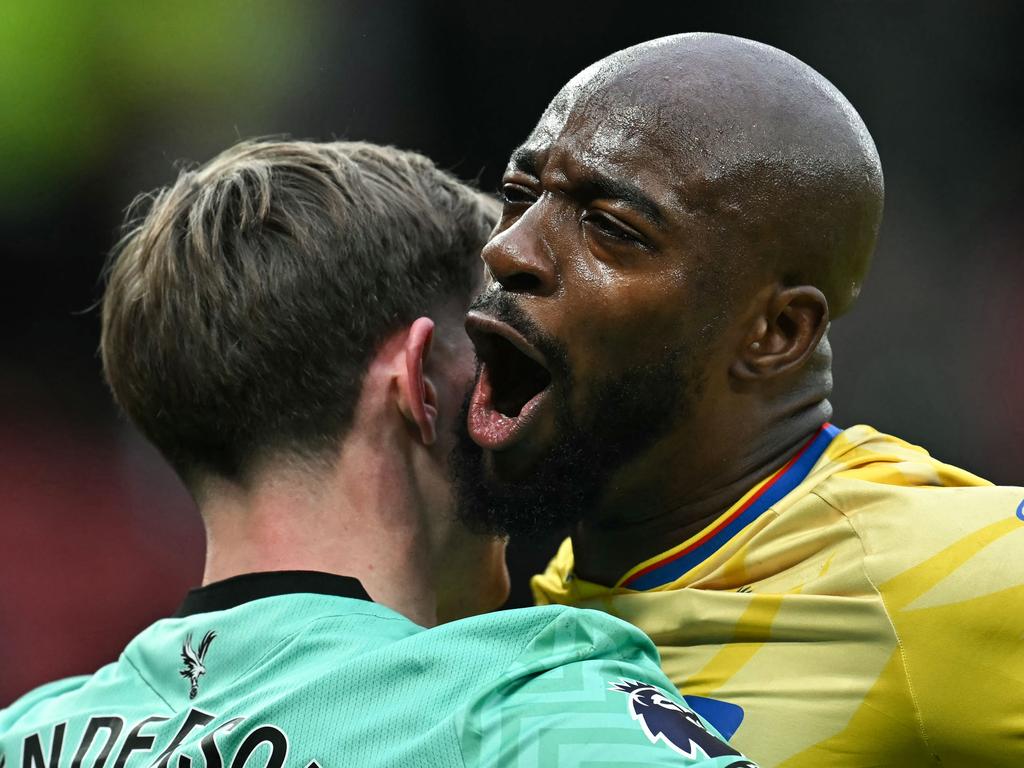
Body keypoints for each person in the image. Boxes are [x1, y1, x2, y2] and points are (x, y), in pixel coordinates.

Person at [0, 140, 757, 768]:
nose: (528, 408)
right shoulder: (516, 705)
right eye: (502, 356)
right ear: (419, 382)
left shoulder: (26, 736)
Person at [453, 33, 1024, 767]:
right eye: (520, 196)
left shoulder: (941, 573)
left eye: (612, 228)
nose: (508, 251)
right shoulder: (566, 584)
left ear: (775, 331)